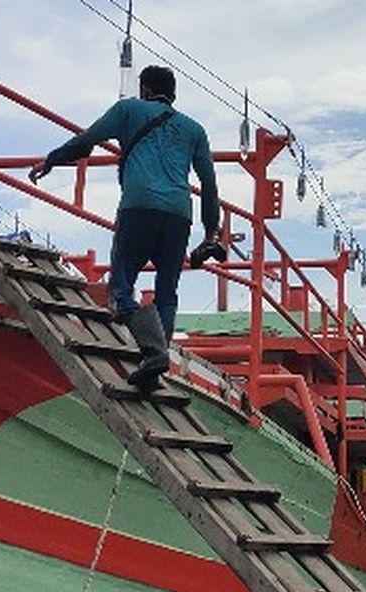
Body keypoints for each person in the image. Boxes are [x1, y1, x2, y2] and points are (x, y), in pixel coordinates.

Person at [29, 65, 219, 390]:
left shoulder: (129, 109)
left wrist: (52, 159)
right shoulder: (194, 129)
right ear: (173, 94)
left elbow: (87, 141)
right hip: (179, 214)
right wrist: (210, 233)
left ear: (144, 89)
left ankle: (153, 352)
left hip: (139, 206)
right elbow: (210, 185)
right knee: (167, 292)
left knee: (121, 288)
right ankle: (157, 363)